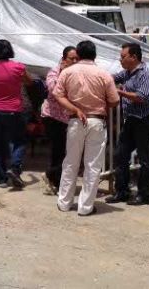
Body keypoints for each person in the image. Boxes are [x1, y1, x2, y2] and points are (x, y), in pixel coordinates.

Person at [53, 41, 119, 216]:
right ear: (95, 55)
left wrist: (75, 109)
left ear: (79, 55)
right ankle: (85, 207)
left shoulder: (67, 72)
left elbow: (57, 94)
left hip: (75, 120)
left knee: (70, 162)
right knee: (92, 165)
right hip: (97, 121)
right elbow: (114, 101)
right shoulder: (104, 74)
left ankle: (64, 202)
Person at [106, 43, 149, 206]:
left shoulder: (145, 75)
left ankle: (145, 195)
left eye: (123, 56)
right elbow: (113, 78)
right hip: (131, 120)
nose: (120, 59)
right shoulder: (128, 73)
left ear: (134, 57)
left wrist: (120, 92)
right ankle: (122, 191)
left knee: (144, 159)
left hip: (143, 120)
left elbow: (141, 97)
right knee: (120, 155)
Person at [0, 39, 33, 188]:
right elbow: (30, 82)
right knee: (19, 141)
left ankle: (1, 179)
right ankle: (15, 168)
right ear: (9, 50)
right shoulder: (18, 67)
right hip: (14, 110)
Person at [40, 46, 79, 196]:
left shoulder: (75, 73)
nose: (75, 61)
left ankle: (54, 180)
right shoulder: (54, 72)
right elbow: (55, 90)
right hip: (53, 117)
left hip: (67, 118)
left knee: (64, 151)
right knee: (59, 150)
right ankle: (52, 177)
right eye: (71, 58)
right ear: (64, 59)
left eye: (77, 58)